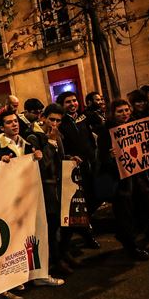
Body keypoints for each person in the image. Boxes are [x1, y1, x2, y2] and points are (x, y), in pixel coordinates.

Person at [97, 99, 149, 260]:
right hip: (119, 180)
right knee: (125, 213)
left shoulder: (135, 125)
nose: (124, 114)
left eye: (126, 110)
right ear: (113, 113)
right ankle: (131, 245)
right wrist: (109, 156)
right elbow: (101, 157)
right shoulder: (106, 131)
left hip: (136, 175)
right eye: (120, 111)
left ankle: (128, 235)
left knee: (147, 204)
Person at [26, 104, 71, 284]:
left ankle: (61, 256)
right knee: (50, 228)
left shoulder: (57, 136)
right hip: (45, 190)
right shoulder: (33, 137)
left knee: (61, 225)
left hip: (59, 188)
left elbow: (61, 159)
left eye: (58, 121)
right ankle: (54, 262)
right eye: (51, 119)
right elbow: (42, 165)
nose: (54, 123)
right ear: (43, 118)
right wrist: (51, 144)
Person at [57, 91, 101, 250]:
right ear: (62, 105)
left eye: (74, 101)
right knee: (80, 203)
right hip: (73, 169)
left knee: (94, 197)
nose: (72, 104)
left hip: (89, 165)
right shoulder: (60, 124)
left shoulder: (84, 118)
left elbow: (91, 139)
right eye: (68, 102)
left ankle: (85, 229)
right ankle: (87, 234)